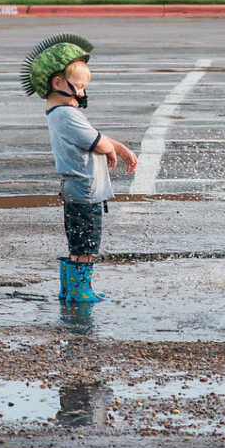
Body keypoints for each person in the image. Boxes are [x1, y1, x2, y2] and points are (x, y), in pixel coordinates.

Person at [20, 34, 138, 303]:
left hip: (79, 190)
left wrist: (118, 148)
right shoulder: (66, 115)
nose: (83, 93)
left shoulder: (61, 114)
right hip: (85, 192)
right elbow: (97, 141)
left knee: (78, 242)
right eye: (79, 87)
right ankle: (79, 290)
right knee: (85, 244)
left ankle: (71, 288)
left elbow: (96, 135)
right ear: (58, 83)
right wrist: (111, 150)